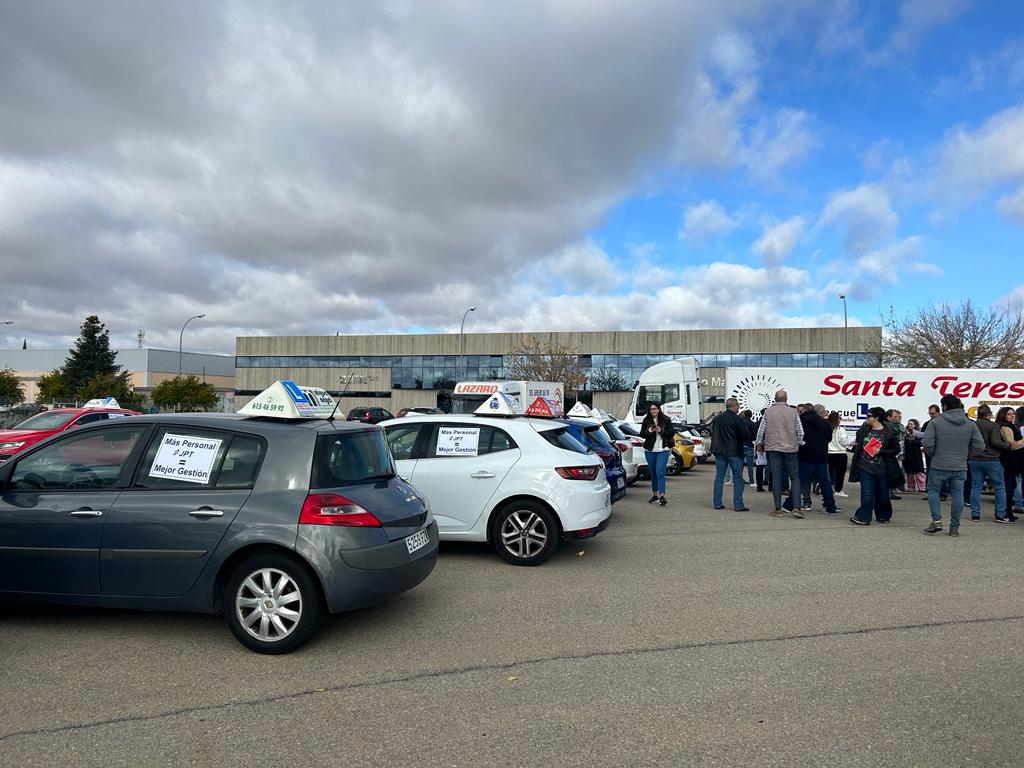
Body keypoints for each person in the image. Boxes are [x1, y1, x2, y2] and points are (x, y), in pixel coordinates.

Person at [922, 395, 984, 536]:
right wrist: (966, 456)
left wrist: (933, 454)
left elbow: (927, 443)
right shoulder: (970, 424)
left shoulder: (936, 422)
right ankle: (954, 527)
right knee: (958, 495)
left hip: (939, 464)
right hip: (960, 466)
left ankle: (936, 520)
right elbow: (980, 446)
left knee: (933, 491)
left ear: (944, 406)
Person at [755, 390, 804, 519]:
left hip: (773, 448)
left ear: (775, 399)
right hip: (790, 449)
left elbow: (761, 431)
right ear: (786, 399)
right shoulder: (793, 412)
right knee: (795, 477)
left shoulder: (768, 411)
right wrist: (798, 442)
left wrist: (759, 444)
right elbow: (800, 431)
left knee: (776, 477)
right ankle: (797, 507)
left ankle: (778, 509)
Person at [849, 407, 900, 525]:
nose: (867, 418)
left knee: (883, 495)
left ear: (876, 418)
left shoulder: (889, 433)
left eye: (869, 416)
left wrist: (881, 451)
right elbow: (859, 442)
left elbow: (896, 449)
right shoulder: (865, 429)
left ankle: (883, 515)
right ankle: (863, 517)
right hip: (865, 467)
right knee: (867, 493)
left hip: (882, 468)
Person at [968, 405, 1010, 522]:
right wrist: (1009, 445)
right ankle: (1000, 514)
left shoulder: (972, 425)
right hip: (991, 459)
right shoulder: (993, 425)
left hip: (975, 459)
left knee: (975, 487)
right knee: (1000, 487)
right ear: (989, 414)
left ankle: (975, 514)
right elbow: (995, 442)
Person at [798, 404, 839, 514]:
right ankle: (830, 505)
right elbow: (828, 438)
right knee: (825, 482)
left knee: (802, 481)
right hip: (821, 456)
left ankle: (795, 503)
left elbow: (798, 436)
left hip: (805, 456)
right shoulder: (825, 424)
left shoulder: (801, 421)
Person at [711, 398, 749, 511]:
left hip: (719, 451)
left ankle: (717, 503)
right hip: (734, 451)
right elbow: (744, 435)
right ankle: (738, 505)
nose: (739, 408)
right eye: (738, 406)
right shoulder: (737, 419)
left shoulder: (718, 418)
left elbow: (714, 432)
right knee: (738, 478)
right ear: (734, 406)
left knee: (719, 477)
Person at [641, 402, 674, 506]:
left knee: (660, 472)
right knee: (653, 473)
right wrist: (649, 430)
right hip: (650, 450)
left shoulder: (666, 419)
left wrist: (661, 430)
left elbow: (671, 433)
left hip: (663, 450)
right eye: (651, 409)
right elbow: (641, 434)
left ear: (659, 409)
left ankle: (662, 495)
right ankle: (655, 495)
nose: (653, 411)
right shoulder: (646, 420)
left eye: (655, 409)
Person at [996, 407, 1024, 522]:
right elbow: (1012, 445)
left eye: (1013, 414)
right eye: (1009, 414)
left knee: (1011, 486)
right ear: (1003, 415)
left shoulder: (1011, 426)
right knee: (1008, 486)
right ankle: (1005, 512)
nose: (1012, 416)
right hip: (1009, 460)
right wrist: (1023, 441)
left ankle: (1008, 512)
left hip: (1014, 460)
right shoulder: (1005, 427)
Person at [827, 411, 851, 498]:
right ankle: (838, 490)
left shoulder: (827, 428)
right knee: (840, 474)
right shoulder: (841, 430)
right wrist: (852, 443)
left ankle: (827, 489)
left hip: (828, 453)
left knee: (828, 473)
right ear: (837, 420)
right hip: (840, 454)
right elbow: (844, 442)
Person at [902, 418, 926, 492]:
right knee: (910, 472)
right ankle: (910, 487)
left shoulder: (919, 433)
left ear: (915, 425)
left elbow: (921, 443)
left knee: (919, 471)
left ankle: (922, 486)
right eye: (909, 424)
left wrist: (914, 439)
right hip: (908, 454)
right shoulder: (905, 434)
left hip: (916, 454)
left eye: (911, 424)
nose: (910, 425)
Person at [740, 409, 756, 485]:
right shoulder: (752, 424)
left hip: (741, 445)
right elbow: (754, 435)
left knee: (740, 465)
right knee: (750, 466)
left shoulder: (740, 422)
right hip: (749, 445)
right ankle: (751, 481)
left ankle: (739, 479)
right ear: (751, 415)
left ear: (744, 415)